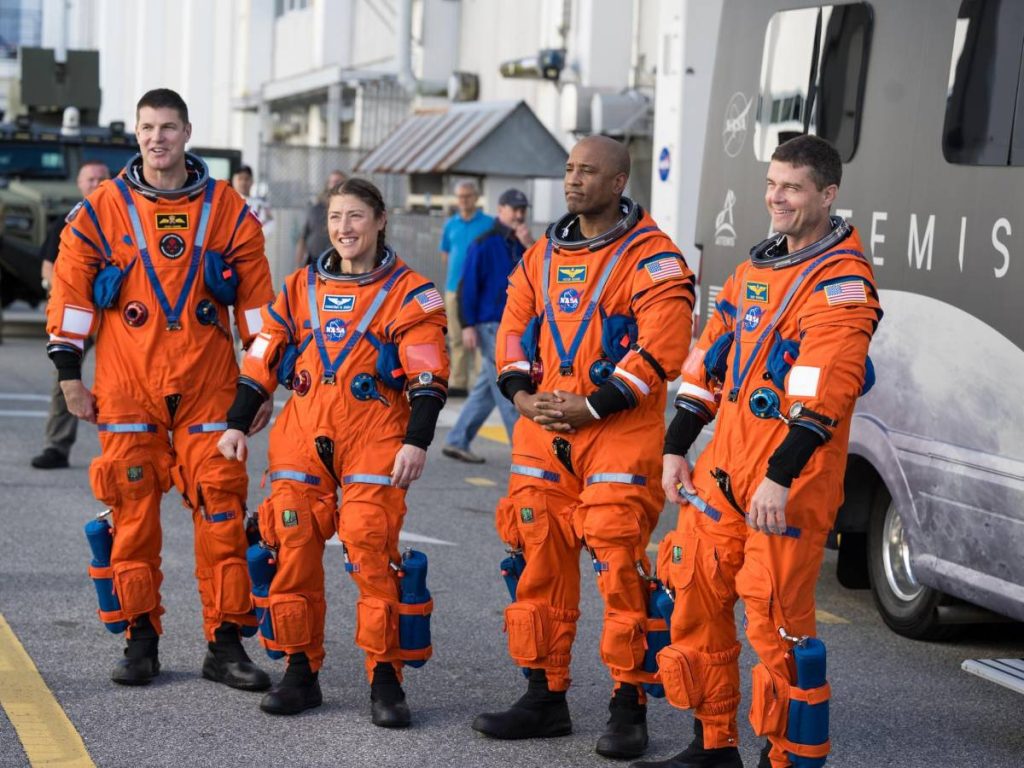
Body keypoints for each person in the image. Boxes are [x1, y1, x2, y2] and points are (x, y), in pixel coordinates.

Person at [635, 135, 882, 768]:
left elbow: (825, 394)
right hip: (723, 471)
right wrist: (675, 447)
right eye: (772, 184)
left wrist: (779, 475)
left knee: (775, 628)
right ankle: (712, 744)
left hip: (789, 482)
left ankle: (784, 758)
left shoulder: (842, 284)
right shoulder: (751, 274)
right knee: (694, 598)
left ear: (827, 195)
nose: (777, 197)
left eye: (793, 187)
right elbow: (705, 366)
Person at [472, 135, 694, 760]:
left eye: (588, 171)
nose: (573, 180)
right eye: (570, 169)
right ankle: (544, 696)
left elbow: (662, 348)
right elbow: (512, 328)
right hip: (543, 428)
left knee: (618, 566)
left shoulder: (654, 258)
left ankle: (629, 706)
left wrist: (594, 405)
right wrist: (520, 395)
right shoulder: (541, 254)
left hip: (617, 431)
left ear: (618, 182)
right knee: (537, 559)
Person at [45, 88, 275, 690]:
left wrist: (259, 388)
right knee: (132, 514)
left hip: (209, 385)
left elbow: (258, 312)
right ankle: (140, 640)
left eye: (168, 127)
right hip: (128, 385)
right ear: (137, 134)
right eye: (147, 127)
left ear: (187, 132)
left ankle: (225, 645)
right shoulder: (101, 209)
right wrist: (69, 375)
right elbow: (70, 294)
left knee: (222, 511)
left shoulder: (227, 209)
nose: (157, 138)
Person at [217, 177, 449, 724]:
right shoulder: (299, 287)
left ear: (380, 220)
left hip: (376, 434)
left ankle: (385, 679)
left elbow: (428, 376)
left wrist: (416, 441)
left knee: (370, 545)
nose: (344, 228)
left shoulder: (411, 293)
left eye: (356, 216)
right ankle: (301, 672)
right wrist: (235, 424)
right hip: (303, 432)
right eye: (336, 218)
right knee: (292, 542)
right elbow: (262, 358)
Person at [442, 188, 533, 463]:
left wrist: (529, 245)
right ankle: (525, 450)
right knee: (508, 383)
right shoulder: (484, 243)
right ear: (501, 210)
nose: (519, 215)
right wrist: (467, 324)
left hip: (514, 323)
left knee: (487, 385)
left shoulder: (521, 243)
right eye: (514, 209)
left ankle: (457, 439)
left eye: (522, 210)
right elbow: (466, 286)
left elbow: (541, 274)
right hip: (492, 323)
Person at [31, 160, 110, 469]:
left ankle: (133, 451)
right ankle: (56, 447)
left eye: (101, 178)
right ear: (79, 184)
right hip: (79, 315)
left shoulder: (125, 218)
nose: (96, 184)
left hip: (118, 317)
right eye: (90, 179)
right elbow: (48, 267)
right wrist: (63, 298)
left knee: (128, 381)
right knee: (65, 380)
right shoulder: (71, 221)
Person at [439, 180, 492, 397]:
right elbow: (445, 253)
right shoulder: (450, 224)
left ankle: (481, 383)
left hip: (481, 290)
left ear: (476, 198)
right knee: (456, 336)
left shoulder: (489, 223)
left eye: (468, 196)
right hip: (454, 288)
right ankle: (459, 382)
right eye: (460, 196)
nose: (464, 200)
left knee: (481, 337)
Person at [295, 169, 345, 267]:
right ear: (327, 185)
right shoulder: (315, 209)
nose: (335, 184)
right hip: (314, 260)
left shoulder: (348, 210)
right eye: (332, 182)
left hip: (337, 262)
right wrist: (298, 264)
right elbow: (303, 237)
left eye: (338, 181)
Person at [231, 164, 274, 236]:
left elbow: (269, 224)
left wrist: (253, 237)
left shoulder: (260, 205)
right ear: (234, 180)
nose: (243, 182)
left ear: (252, 181)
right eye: (240, 178)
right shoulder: (228, 203)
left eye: (246, 179)